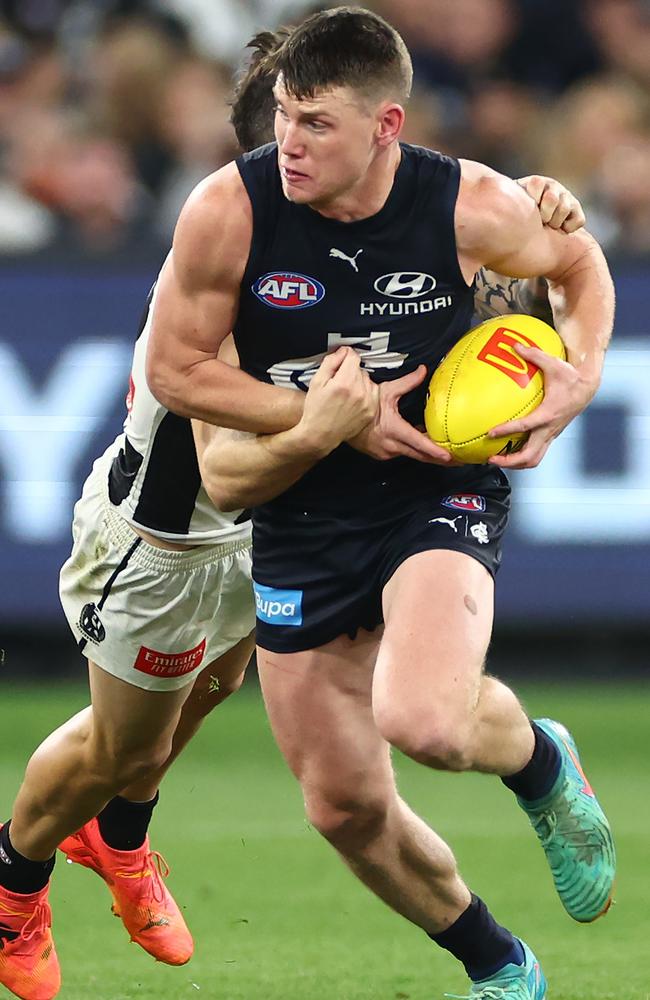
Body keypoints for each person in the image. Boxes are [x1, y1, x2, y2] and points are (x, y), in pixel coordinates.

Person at [0, 28, 597, 1000]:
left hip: (285, 511)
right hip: (171, 538)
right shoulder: (233, 252)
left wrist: (527, 210)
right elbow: (227, 475)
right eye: (282, 131)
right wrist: (329, 423)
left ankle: (121, 835)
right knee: (126, 745)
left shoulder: (382, 219)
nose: (291, 156)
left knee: (233, 688)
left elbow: (537, 256)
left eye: (314, 127)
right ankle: (17, 878)